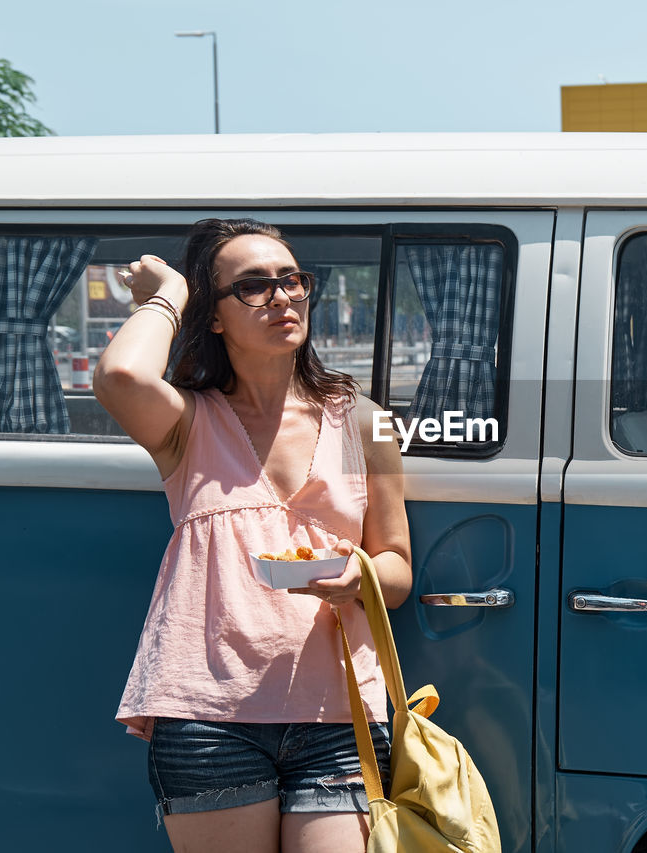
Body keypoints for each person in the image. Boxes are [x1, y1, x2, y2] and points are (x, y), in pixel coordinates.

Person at [94, 218, 412, 853]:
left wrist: (360, 577)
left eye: (291, 279)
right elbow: (122, 377)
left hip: (339, 711)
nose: (283, 296)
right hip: (208, 715)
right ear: (213, 317)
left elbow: (397, 565)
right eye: (253, 286)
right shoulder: (187, 420)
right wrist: (168, 293)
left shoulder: (370, 421)